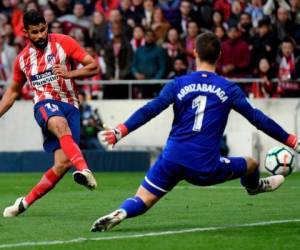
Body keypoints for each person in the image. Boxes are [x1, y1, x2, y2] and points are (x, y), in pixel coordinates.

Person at [90, 32, 300, 232]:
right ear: (219, 55)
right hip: (204, 166)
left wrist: (120, 131)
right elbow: (259, 120)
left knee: (143, 199)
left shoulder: (178, 84)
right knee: (251, 163)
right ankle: (254, 187)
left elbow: (150, 109)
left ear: (195, 54)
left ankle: (123, 211)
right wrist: (291, 140)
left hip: (171, 158)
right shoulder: (228, 89)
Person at [1, 10, 99, 218]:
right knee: (59, 124)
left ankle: (23, 203)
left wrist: (70, 73)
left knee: (62, 164)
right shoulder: (22, 60)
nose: (40, 35)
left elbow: (93, 66)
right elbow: (12, 92)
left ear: (47, 26)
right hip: (44, 104)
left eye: (43, 29)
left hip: (71, 105)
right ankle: (84, 169)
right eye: (35, 32)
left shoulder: (64, 42)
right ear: (26, 33)